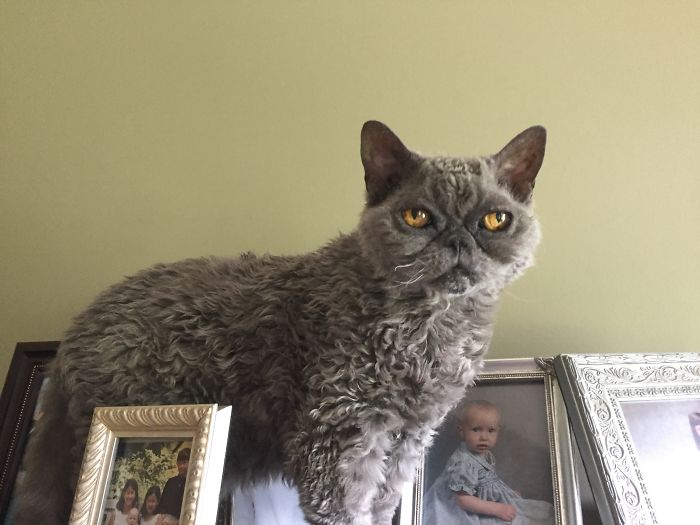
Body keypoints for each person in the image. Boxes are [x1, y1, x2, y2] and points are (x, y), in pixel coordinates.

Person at [423, 400, 554, 525]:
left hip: (482, 499)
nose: (484, 437)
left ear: (498, 431)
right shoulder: (463, 462)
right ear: (461, 431)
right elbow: (463, 500)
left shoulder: (482, 454)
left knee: (539, 512)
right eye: (476, 430)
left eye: (491, 431)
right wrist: (497, 509)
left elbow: (485, 483)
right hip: (466, 507)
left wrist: (506, 492)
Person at [155, 448, 190, 525]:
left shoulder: (191, 485)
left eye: (184, 463)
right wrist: (160, 519)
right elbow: (162, 505)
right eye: (179, 463)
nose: (181, 466)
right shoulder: (171, 482)